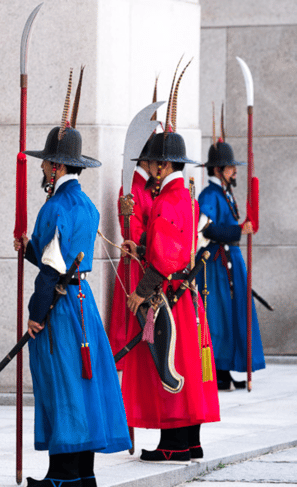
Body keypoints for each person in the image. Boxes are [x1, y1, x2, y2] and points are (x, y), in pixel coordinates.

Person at [15, 70, 130, 487]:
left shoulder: (54, 207)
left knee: (61, 384)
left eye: (46, 162)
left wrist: (36, 313)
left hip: (60, 308)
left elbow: (51, 269)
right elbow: (61, 257)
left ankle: (61, 472)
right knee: (83, 385)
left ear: (58, 166)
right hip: (83, 301)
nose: (42, 167)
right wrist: (28, 248)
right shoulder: (87, 206)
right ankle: (84, 472)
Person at [122, 82, 220, 464]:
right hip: (188, 295)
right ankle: (191, 441)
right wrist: (140, 245)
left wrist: (140, 292)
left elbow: (165, 258)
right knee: (190, 366)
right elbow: (173, 244)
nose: (149, 169)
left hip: (170, 295)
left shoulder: (165, 200)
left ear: (163, 166)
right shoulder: (187, 198)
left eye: (150, 164)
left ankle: (173, 444)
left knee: (170, 363)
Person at [196, 129, 265, 390]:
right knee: (220, 316)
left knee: (233, 314)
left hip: (230, 261)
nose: (235, 172)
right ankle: (219, 370)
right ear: (218, 170)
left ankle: (227, 368)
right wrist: (238, 230)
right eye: (230, 168)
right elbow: (205, 229)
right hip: (217, 265)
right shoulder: (209, 195)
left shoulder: (223, 193)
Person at [107, 148, 155, 373]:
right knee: (131, 325)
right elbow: (133, 235)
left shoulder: (148, 188)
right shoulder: (131, 189)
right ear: (146, 161)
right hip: (135, 264)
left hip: (147, 262)